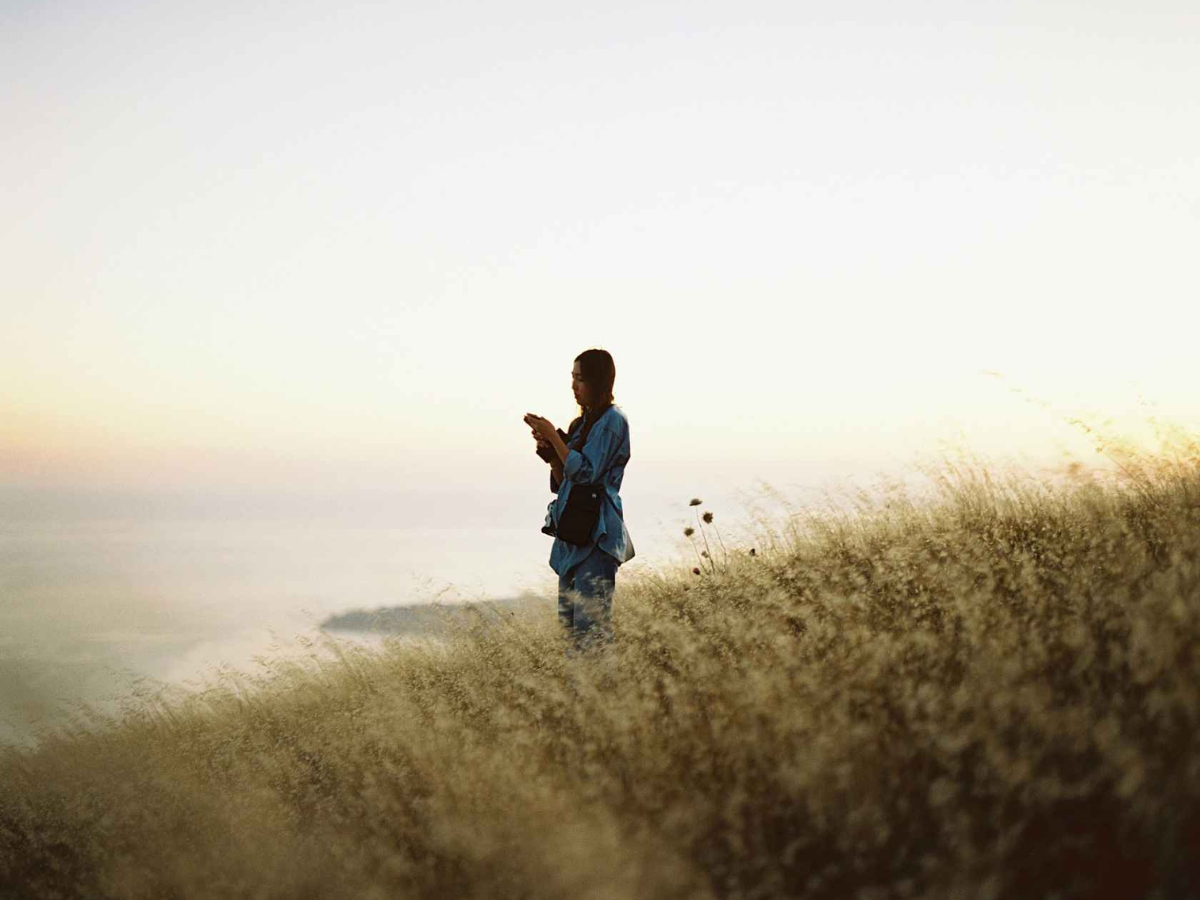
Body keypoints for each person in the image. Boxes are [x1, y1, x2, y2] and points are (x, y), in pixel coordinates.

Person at [523, 349, 635, 655]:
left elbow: (586, 473)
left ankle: (605, 696)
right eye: (572, 378)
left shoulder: (613, 422)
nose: (574, 387)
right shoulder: (581, 425)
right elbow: (563, 483)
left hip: (597, 539)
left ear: (599, 382)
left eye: (580, 379)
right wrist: (551, 453)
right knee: (570, 637)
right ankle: (581, 699)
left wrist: (556, 439)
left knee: (592, 635)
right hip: (573, 539)